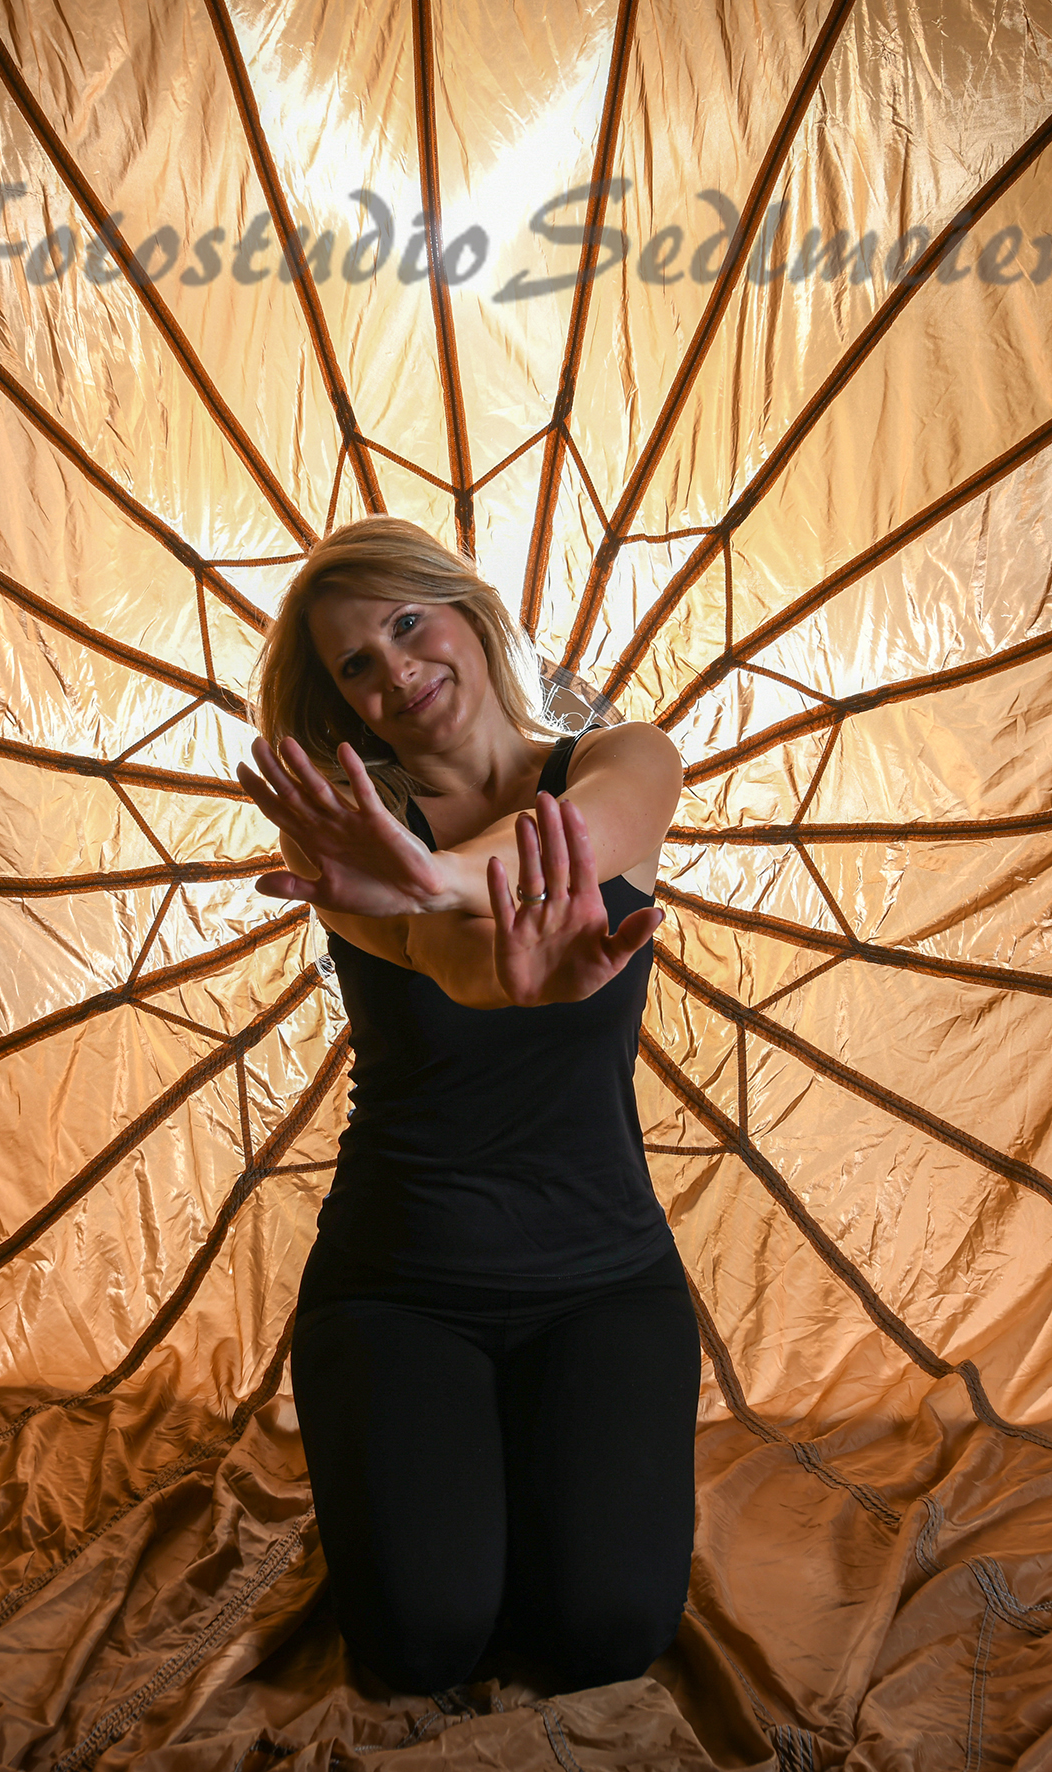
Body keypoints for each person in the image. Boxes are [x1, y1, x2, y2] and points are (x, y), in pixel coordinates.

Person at [237, 516, 700, 1695]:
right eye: (356, 663)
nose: (395, 670)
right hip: (398, 1285)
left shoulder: (624, 757)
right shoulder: (349, 842)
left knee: (606, 1629)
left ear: (468, 612)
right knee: (421, 1639)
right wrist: (492, 955)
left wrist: (436, 876)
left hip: (604, 1280)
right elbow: (449, 962)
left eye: (408, 622)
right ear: (339, 703)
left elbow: (568, 837)